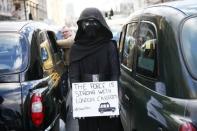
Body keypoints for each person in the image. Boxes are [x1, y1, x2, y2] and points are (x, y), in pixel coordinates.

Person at [69, 7, 122, 131]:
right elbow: (74, 76)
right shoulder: (76, 48)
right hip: (86, 99)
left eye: (94, 22)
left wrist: (114, 99)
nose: (90, 25)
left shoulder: (109, 46)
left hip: (106, 95)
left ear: (100, 24)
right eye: (86, 22)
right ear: (81, 25)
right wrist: (77, 102)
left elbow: (115, 73)